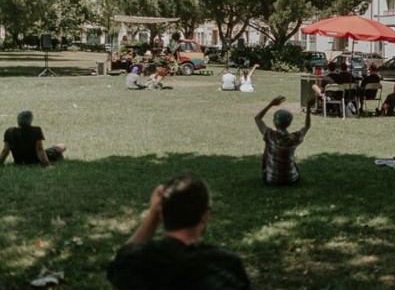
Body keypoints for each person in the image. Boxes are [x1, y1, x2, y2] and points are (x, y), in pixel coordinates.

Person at [107, 173, 249, 289]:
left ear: (162, 213)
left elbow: (122, 259)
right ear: (204, 215)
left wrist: (152, 215)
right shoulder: (225, 266)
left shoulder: (140, 263)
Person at [255, 96, 313, 186]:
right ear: (289, 123)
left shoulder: (270, 135)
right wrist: (308, 108)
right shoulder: (294, 138)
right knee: (292, 162)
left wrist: (271, 104)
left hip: (271, 180)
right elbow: (307, 126)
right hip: (291, 180)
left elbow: (257, 118)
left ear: (274, 121)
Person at [0, 111, 66, 167]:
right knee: (62, 146)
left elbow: (5, 151)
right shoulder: (36, 130)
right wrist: (47, 165)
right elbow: (39, 149)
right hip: (35, 160)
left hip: (19, 161)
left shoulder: (9, 131)